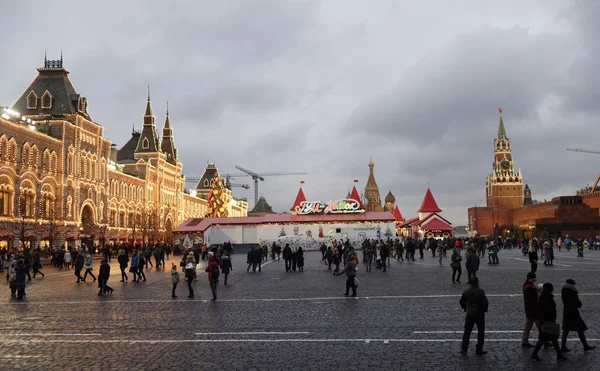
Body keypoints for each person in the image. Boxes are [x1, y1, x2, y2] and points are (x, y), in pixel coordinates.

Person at [531, 283, 566, 362]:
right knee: (548, 339)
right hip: (548, 321)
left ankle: (559, 355)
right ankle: (534, 354)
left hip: (545, 321)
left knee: (549, 339)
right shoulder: (547, 298)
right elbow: (548, 310)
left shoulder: (543, 297)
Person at [561, 279, 596, 352]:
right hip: (573, 313)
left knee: (566, 330)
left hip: (566, 312)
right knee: (580, 329)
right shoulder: (573, 292)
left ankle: (563, 346)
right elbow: (578, 304)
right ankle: (585, 346)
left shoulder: (563, 290)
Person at [460, 277, 488, 355]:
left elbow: (462, 301)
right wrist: (483, 310)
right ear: (477, 282)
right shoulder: (481, 291)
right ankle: (479, 349)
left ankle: (464, 348)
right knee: (481, 332)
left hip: (469, 313)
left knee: (467, 331)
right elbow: (485, 302)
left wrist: (465, 308)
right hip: (479, 314)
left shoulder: (466, 292)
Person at [521, 272, 540, 348]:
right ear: (531, 278)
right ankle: (544, 341)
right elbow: (533, 300)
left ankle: (524, 341)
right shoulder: (530, 288)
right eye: (534, 278)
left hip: (529, 310)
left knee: (527, 326)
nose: (535, 280)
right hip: (533, 311)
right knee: (540, 326)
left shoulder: (526, 285)